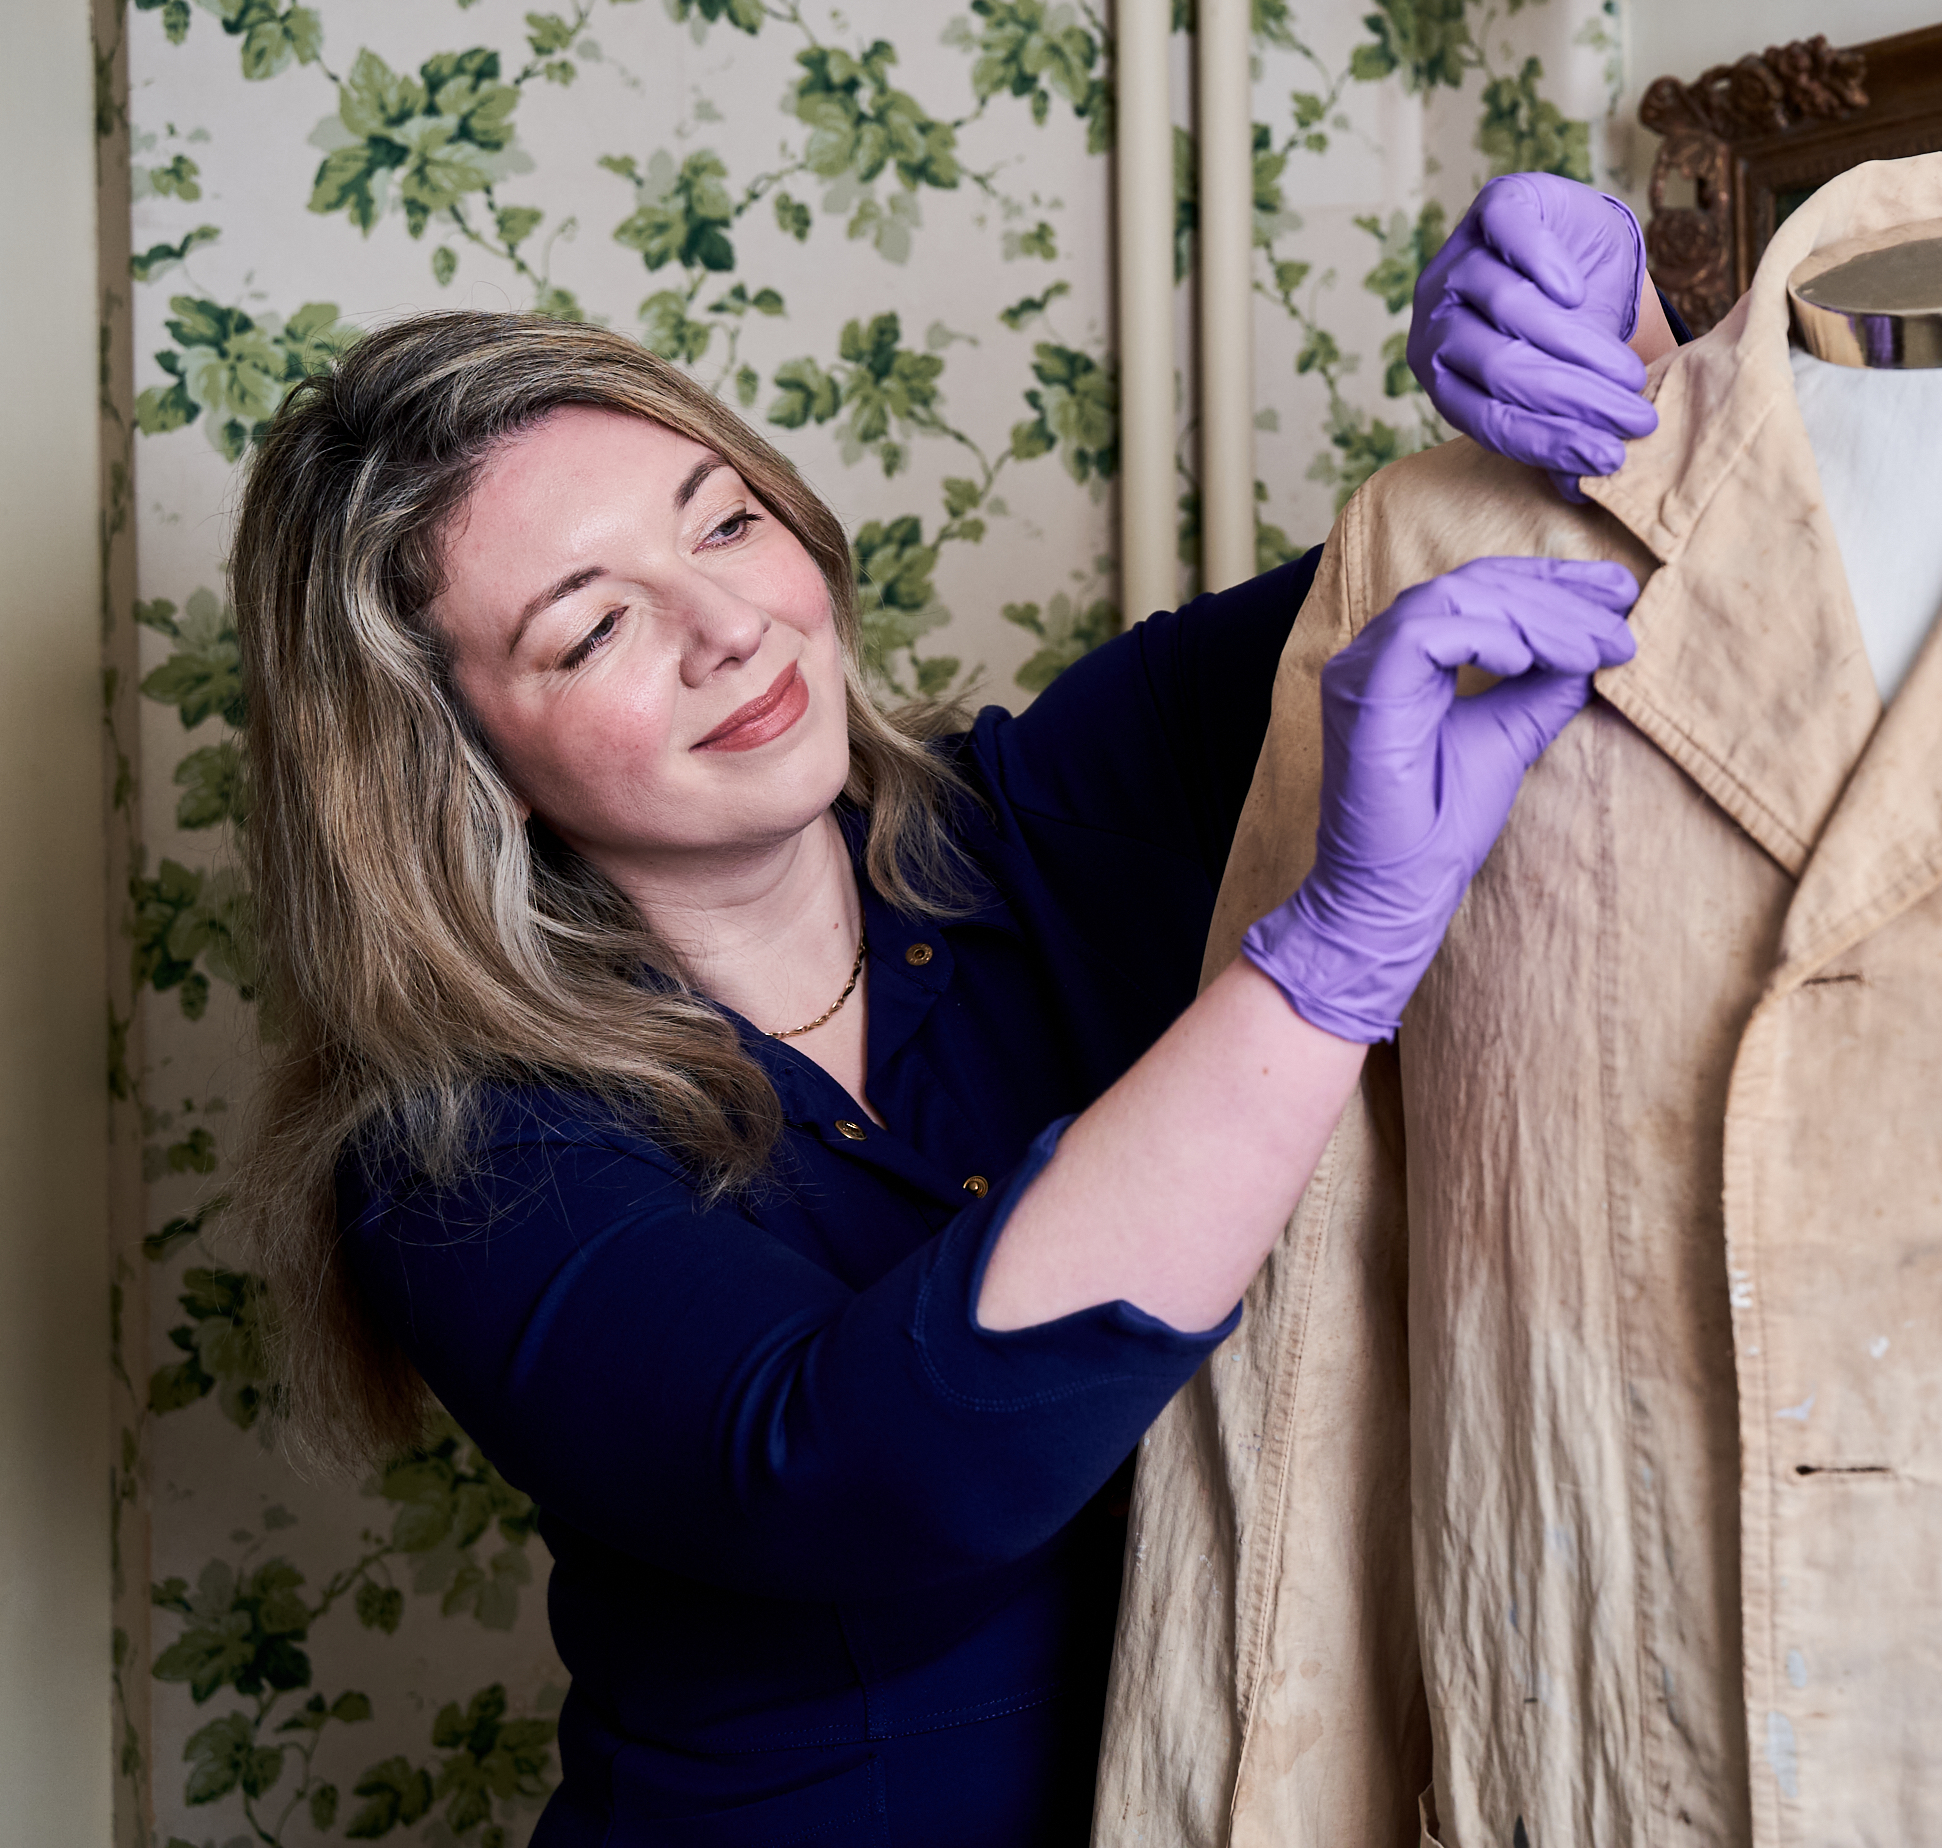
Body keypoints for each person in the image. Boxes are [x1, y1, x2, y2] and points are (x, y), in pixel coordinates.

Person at [224, 171, 1675, 1845]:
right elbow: (865, 1465)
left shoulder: (1056, 805)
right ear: (457, 763)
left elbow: (1520, 556)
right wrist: (1329, 961)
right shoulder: (454, 1144)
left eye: (722, 521)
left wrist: (1609, 333)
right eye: (596, 623)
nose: (730, 625)